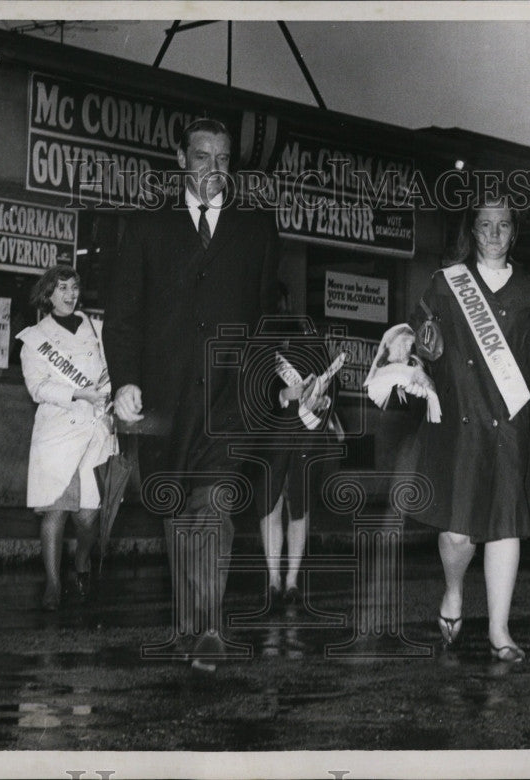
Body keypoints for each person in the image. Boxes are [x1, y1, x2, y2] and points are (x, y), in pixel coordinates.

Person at [103, 117, 280, 671]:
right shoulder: (147, 226)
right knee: (177, 510)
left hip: (229, 397)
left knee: (215, 505)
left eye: (223, 160)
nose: (213, 170)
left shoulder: (257, 229)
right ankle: (189, 624)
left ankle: (209, 628)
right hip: (164, 399)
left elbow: (268, 316)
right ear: (181, 159)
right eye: (202, 157)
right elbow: (123, 315)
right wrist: (126, 380)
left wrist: (273, 379)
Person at [372, 192, 530, 663]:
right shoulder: (445, 285)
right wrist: (408, 351)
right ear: (473, 230)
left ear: (514, 231)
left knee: (505, 528)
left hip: (509, 427)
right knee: (458, 535)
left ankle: (500, 631)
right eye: (485, 226)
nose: (495, 235)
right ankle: (454, 591)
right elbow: (419, 339)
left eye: (503, 226)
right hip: (458, 424)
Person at [17, 265, 114, 611]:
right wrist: (77, 393)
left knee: (88, 516)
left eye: (74, 287)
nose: (70, 294)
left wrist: (109, 396)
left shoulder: (97, 328)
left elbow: (114, 369)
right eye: (62, 288)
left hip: (93, 431)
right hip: (57, 434)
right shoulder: (34, 338)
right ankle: (53, 585)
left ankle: (82, 562)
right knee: (55, 512)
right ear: (48, 294)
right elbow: (37, 387)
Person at [256, 285, 335, 609]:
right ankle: (274, 578)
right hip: (272, 432)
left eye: (284, 303)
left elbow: (331, 385)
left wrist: (320, 398)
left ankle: (291, 581)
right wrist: (280, 396)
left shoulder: (310, 338)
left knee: (298, 506)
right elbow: (251, 387)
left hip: (305, 433)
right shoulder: (260, 341)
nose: (282, 309)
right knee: (270, 504)